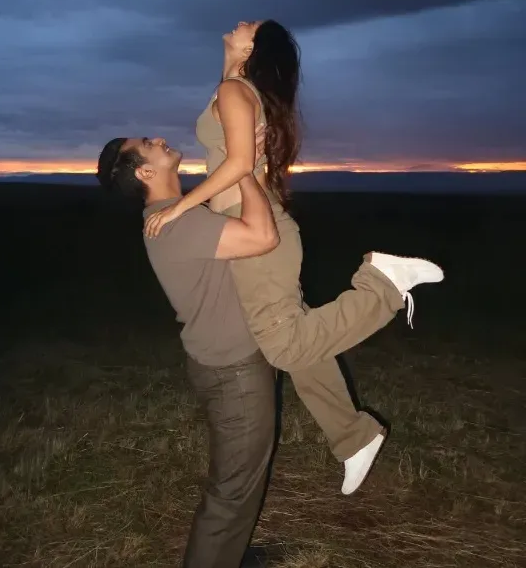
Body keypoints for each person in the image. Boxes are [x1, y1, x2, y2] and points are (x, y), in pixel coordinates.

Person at [98, 135, 442, 566]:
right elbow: (262, 236)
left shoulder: (175, 217)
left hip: (231, 360)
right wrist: (243, 168)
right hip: (234, 375)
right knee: (231, 493)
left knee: (246, 476)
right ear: (144, 172)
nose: (160, 139)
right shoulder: (175, 223)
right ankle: (384, 284)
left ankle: (237, 550)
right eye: (148, 143)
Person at [137, 19, 443, 494]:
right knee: (296, 341)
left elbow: (238, 163)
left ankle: (383, 282)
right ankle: (353, 436)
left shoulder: (233, 91)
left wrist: (181, 204)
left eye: (249, 26)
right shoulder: (233, 86)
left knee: (282, 345)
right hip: (250, 222)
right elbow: (229, 142)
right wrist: (231, 61)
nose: (239, 23)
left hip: (256, 229)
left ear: (255, 48)